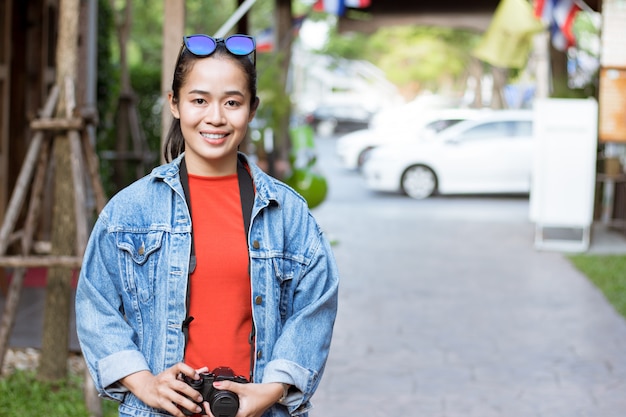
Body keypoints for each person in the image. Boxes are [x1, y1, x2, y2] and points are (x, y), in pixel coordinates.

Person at [75, 33, 339, 417]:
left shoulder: (288, 212)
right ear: (175, 104)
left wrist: (272, 389)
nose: (215, 117)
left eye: (232, 102)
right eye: (199, 100)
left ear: (251, 109)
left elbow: (315, 305)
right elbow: (95, 304)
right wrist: (144, 382)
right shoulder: (131, 209)